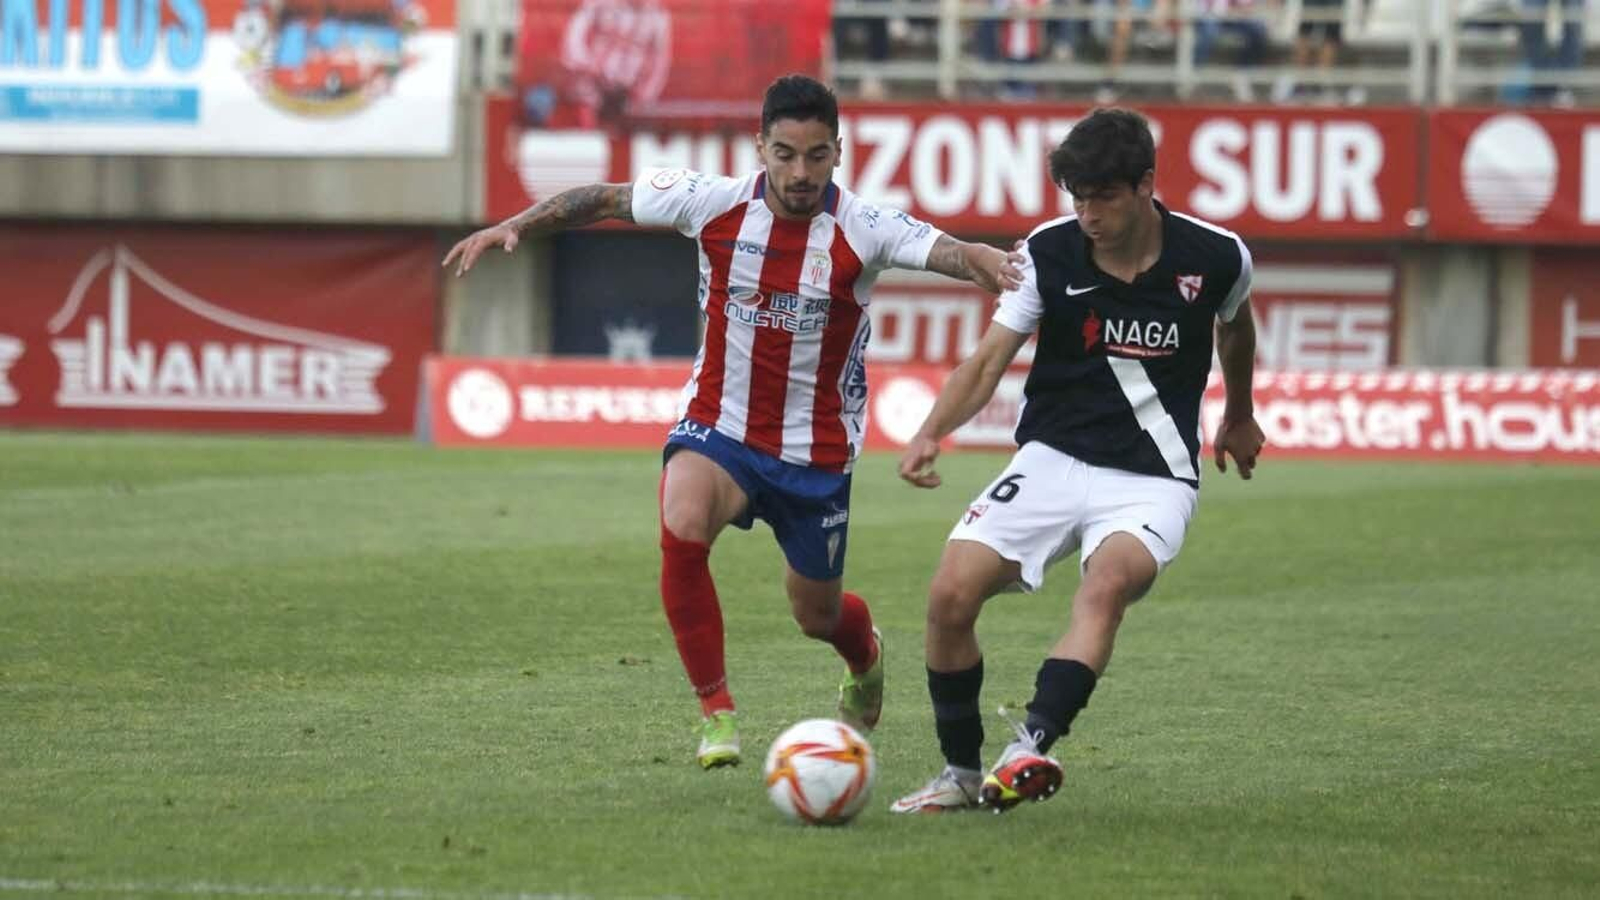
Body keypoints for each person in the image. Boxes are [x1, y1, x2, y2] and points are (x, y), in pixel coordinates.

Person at [443, 75, 1023, 770]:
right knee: (683, 520)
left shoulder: (864, 227)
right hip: (719, 424)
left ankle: (863, 656)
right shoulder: (711, 202)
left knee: (816, 615)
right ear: (760, 148)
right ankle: (716, 712)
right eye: (785, 154)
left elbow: (955, 253)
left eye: (816, 155)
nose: (800, 172)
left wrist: (1000, 266)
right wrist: (515, 224)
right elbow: (603, 199)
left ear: (838, 153)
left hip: (815, 452)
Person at [887, 108, 1265, 814]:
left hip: (1152, 478)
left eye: (1104, 198)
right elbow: (988, 361)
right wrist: (930, 431)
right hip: (1051, 460)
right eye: (1078, 198)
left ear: (1146, 184)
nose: (1088, 215)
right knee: (948, 597)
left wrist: (1239, 414)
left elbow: (1236, 329)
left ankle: (1028, 748)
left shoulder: (1217, 256)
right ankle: (960, 774)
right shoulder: (1048, 252)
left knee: (1105, 586)